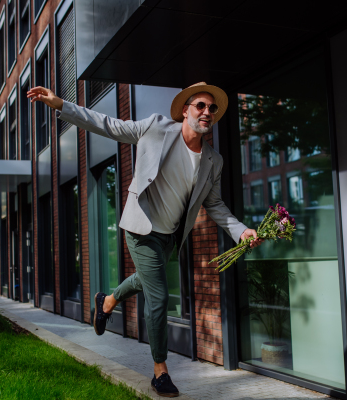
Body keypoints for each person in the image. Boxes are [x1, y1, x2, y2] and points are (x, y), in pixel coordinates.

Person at [27, 82, 263, 397]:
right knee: (159, 296)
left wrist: (241, 231)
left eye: (213, 108)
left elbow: (215, 205)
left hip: (170, 237)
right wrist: (60, 105)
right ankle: (160, 371)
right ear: (186, 110)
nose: (207, 112)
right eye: (200, 106)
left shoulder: (213, 161)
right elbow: (108, 125)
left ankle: (107, 301)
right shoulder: (155, 128)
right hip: (141, 230)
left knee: (145, 280)